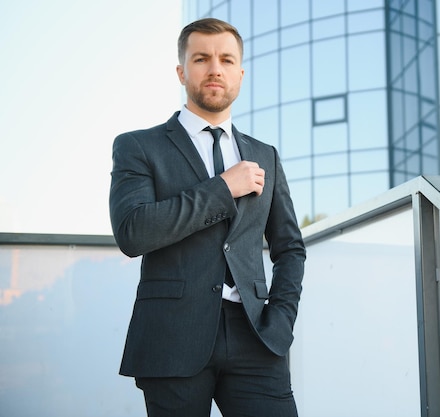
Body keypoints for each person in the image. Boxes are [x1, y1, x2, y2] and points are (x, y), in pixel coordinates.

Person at [109, 17, 306, 417]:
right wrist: (223, 187)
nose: (215, 68)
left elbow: (290, 248)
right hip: (171, 337)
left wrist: (281, 319)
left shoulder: (264, 154)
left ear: (240, 73)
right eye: (201, 58)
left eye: (226, 60)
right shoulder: (138, 146)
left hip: (256, 336)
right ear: (182, 71)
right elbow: (133, 232)